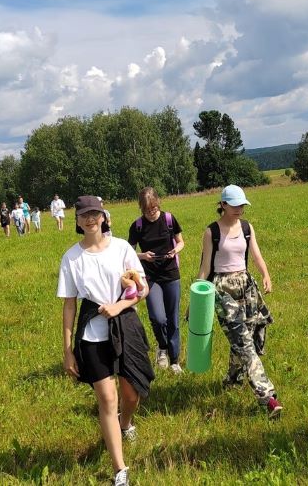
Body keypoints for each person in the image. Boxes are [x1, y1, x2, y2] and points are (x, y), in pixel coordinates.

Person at [58, 195, 154, 486]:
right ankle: (120, 469)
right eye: (83, 215)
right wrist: (67, 350)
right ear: (76, 220)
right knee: (107, 398)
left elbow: (143, 289)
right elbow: (70, 305)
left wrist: (120, 306)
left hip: (125, 324)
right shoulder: (71, 257)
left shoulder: (123, 248)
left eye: (94, 214)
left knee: (130, 395)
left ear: (104, 217)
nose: (90, 219)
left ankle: (126, 423)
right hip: (91, 333)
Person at [197, 185, 282, 418]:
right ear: (222, 204)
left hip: (246, 287)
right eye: (234, 205)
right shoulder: (211, 232)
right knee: (244, 342)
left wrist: (265, 274)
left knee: (249, 337)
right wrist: (196, 300)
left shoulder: (246, 227)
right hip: (222, 290)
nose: (239, 209)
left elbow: (256, 254)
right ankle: (268, 397)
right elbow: (205, 269)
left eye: (242, 205)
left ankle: (233, 380)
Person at [128, 187, 185, 373]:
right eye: (147, 210)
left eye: (153, 208)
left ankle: (174, 359)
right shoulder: (137, 226)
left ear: (158, 204)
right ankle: (162, 348)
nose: (151, 213)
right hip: (150, 277)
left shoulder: (169, 219)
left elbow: (181, 241)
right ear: (141, 209)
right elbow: (128, 254)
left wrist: (175, 250)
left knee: (173, 319)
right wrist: (143, 256)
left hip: (170, 274)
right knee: (159, 318)